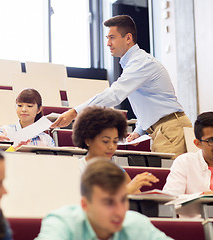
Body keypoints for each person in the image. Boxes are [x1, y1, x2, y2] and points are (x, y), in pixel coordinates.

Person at [52, 15, 191, 158]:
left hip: (171, 129)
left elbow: (114, 94)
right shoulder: (133, 63)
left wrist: (75, 112)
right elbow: (150, 102)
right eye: (107, 38)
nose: (108, 43)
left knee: (169, 178)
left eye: (112, 37)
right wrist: (139, 130)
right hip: (163, 129)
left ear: (128, 38)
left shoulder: (141, 62)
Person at [35, 159, 172, 240]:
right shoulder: (62, 223)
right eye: (108, 203)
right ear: (85, 205)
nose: (119, 211)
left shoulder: (136, 224)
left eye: (123, 200)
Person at [72, 106, 158, 194]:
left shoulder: (118, 172)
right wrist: (126, 190)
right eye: (105, 141)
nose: (112, 147)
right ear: (88, 140)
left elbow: (139, 199)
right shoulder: (74, 169)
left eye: (115, 141)